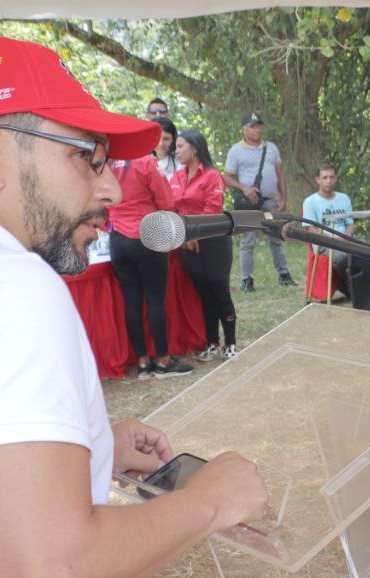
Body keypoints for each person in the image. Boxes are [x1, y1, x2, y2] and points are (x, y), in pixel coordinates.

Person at [0, 36, 268, 578]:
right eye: (88, 157)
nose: (110, 187)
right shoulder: (7, 285)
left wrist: (82, 440)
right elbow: (52, 567)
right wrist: (210, 499)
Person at [108, 116, 194, 380]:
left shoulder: (108, 165)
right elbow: (167, 202)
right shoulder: (147, 163)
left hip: (117, 240)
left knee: (132, 302)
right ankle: (164, 361)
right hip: (147, 236)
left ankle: (144, 363)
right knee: (155, 300)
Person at [172, 130, 237, 362]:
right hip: (187, 243)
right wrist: (185, 236)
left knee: (219, 291)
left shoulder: (212, 176)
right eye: (176, 147)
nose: (176, 151)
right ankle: (212, 342)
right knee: (204, 294)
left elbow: (212, 208)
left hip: (213, 241)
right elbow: (174, 209)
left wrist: (196, 236)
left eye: (180, 146)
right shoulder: (177, 177)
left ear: (195, 148)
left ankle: (230, 343)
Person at [224, 111, 292, 292]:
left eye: (258, 125)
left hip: (270, 199)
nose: (256, 130)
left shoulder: (271, 148)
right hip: (249, 202)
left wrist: (283, 197)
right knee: (248, 239)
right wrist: (244, 188)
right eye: (251, 126)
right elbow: (227, 178)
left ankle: (284, 274)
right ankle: (247, 279)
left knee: (276, 235)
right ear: (243, 129)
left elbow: (280, 173)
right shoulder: (235, 150)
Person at [300, 162, 356, 303]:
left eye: (331, 177)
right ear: (317, 179)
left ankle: (369, 285)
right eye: (325, 177)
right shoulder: (310, 202)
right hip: (323, 244)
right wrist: (333, 240)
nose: (329, 181)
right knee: (341, 257)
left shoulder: (344, 198)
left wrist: (347, 236)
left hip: (345, 240)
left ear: (336, 178)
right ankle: (350, 287)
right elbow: (310, 229)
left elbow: (350, 224)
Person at [152, 115, 178, 179]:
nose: (161, 144)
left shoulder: (181, 164)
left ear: (174, 139)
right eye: (157, 138)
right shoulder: (143, 162)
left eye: (166, 139)